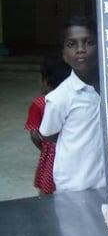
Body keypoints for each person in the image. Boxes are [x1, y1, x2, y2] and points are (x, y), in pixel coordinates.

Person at [39, 16, 105, 192]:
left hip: (107, 183)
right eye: (71, 44)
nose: (81, 50)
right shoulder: (60, 97)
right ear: (64, 56)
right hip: (75, 185)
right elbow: (48, 134)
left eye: (89, 42)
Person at [24, 55, 70, 194]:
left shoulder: (38, 104)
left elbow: (34, 135)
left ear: (46, 81)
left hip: (49, 154)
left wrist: (46, 149)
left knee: (46, 191)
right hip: (70, 152)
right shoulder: (69, 100)